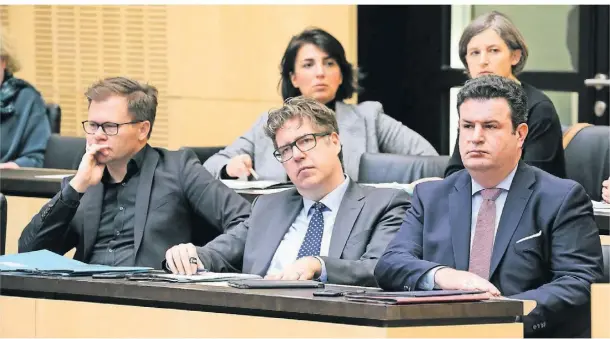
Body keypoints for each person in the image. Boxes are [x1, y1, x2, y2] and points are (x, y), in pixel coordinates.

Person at [374, 75, 603, 338]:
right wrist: (443, 276)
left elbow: (578, 283)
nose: (476, 137)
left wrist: (502, 315)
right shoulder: (431, 196)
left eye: (490, 126)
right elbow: (391, 264)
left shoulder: (561, 198)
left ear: (520, 134)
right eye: (467, 126)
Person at [165, 96, 410, 287]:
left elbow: (382, 268)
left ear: (334, 141)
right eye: (285, 150)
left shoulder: (385, 204)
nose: (297, 156)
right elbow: (218, 254)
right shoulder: (268, 206)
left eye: (305, 141)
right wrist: (190, 255)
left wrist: (319, 265)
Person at [19, 77, 251, 269]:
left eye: (110, 127)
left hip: (151, 302)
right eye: (92, 125)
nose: (97, 135)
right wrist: (75, 188)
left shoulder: (178, 168)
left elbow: (246, 221)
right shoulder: (83, 182)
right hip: (84, 303)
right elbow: (29, 252)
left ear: (142, 130)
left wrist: (203, 256)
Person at [204, 27, 437, 182]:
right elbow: (211, 165)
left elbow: (428, 161)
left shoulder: (369, 117)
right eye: (308, 65)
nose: (320, 73)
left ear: (342, 74)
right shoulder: (268, 124)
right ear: (293, 78)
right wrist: (229, 168)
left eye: (329, 63)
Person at [444, 11, 565, 179]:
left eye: (493, 51)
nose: (483, 61)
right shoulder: (471, 106)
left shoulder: (539, 108)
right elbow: (454, 172)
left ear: (515, 56)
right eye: (474, 53)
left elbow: (536, 181)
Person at [0, 29, 51, 168]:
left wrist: (13, 167)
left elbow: (35, 158)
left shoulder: (27, 99)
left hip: (9, 183)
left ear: (3, 62)